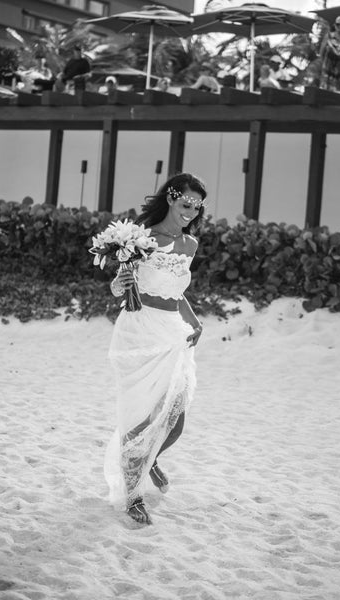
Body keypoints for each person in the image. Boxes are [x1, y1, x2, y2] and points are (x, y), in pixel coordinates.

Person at [104, 172, 206, 525]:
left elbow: (176, 293)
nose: (190, 212)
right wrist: (121, 282)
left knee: (174, 420)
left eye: (197, 206)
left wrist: (195, 321)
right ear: (171, 199)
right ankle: (132, 496)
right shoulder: (143, 239)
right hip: (140, 331)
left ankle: (149, 459)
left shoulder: (190, 246)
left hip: (173, 333)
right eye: (185, 204)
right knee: (139, 418)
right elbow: (122, 289)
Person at [319, 15, 340, 92]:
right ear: (334, 25)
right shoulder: (328, 36)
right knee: (326, 92)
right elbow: (321, 52)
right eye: (338, 24)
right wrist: (323, 66)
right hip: (329, 70)